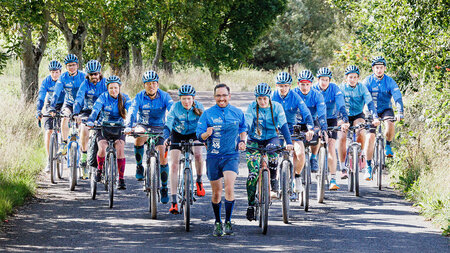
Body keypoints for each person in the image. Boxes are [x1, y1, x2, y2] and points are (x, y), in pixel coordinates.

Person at [196, 83, 247, 236]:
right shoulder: (207, 114)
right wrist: (207, 133)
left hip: (231, 155)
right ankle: (218, 222)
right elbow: (199, 135)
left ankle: (228, 221)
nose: (221, 98)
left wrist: (242, 141)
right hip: (213, 156)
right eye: (218, 95)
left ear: (229, 96)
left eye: (224, 95)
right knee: (217, 193)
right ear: (214, 97)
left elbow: (243, 128)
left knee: (230, 187)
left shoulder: (237, 112)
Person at [245, 83, 294, 220]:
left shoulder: (277, 107)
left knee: (273, 153)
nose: (262, 101)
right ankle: (250, 205)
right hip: (254, 139)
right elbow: (247, 124)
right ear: (256, 98)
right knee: (252, 175)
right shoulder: (252, 108)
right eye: (259, 99)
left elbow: (283, 125)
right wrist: (242, 140)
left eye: (264, 99)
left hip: (272, 137)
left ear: (269, 98)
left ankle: (273, 179)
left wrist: (289, 142)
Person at [126, 70, 173, 203]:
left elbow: (172, 109)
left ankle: (164, 188)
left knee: (163, 155)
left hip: (160, 127)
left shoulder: (164, 96)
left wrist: (174, 124)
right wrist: (129, 126)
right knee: (139, 134)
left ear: (157, 84)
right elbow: (132, 111)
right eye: (148, 84)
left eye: (153, 83)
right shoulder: (139, 96)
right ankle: (139, 166)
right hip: (144, 125)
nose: (151, 86)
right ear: (144, 85)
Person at [271, 72, 314, 199]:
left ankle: (297, 177)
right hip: (276, 128)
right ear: (276, 86)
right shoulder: (272, 96)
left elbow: (306, 112)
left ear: (290, 86)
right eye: (280, 86)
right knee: (271, 153)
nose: (283, 89)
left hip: (291, 128)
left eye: (285, 86)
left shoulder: (295, 96)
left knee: (300, 153)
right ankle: (272, 183)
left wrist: (310, 128)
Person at [163, 84, 205, 214]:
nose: (186, 102)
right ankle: (174, 201)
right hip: (177, 134)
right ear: (180, 99)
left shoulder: (199, 107)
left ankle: (198, 181)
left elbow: (204, 124)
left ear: (193, 98)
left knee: (198, 154)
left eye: (189, 98)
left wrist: (206, 139)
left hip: (194, 134)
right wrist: (166, 137)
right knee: (174, 165)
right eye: (183, 99)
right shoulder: (175, 108)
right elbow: (168, 123)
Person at [86, 76, 131, 189]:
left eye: (115, 88)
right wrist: (91, 120)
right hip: (103, 128)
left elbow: (131, 110)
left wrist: (131, 123)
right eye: (111, 88)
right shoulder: (103, 97)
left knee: (120, 149)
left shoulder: (125, 98)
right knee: (102, 148)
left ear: (119, 88)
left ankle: (121, 179)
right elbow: (95, 109)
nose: (113, 90)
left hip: (119, 128)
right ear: (107, 88)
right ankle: (99, 170)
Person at [363, 56, 404, 180]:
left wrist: (400, 111)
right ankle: (368, 167)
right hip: (371, 110)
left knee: (390, 124)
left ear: (385, 68)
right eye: (377, 68)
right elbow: (364, 98)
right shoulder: (367, 81)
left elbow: (397, 97)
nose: (379, 70)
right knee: (370, 138)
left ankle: (388, 145)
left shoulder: (390, 81)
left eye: (381, 67)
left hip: (386, 108)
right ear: (373, 69)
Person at [338, 65, 380, 180]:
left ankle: (360, 153)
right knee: (342, 136)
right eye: (350, 77)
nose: (352, 80)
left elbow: (370, 103)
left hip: (357, 114)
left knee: (361, 131)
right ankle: (342, 167)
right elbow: (340, 105)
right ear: (346, 78)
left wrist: (375, 117)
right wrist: (344, 121)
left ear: (358, 78)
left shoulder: (362, 88)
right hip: (343, 114)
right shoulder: (341, 88)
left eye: (355, 77)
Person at [312, 67, 350, 190]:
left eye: (326, 80)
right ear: (318, 80)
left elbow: (341, 105)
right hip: (317, 118)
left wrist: (345, 120)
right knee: (317, 139)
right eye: (322, 80)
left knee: (331, 145)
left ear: (329, 80)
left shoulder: (335, 89)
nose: (324, 82)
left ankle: (333, 178)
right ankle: (313, 159)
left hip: (331, 118)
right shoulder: (312, 89)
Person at [73, 60, 107, 179]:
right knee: (84, 128)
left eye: (96, 74)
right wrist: (76, 112)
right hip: (87, 111)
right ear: (88, 75)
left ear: (100, 73)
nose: (94, 77)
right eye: (91, 74)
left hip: (102, 112)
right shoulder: (85, 84)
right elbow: (79, 98)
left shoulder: (105, 83)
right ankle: (83, 155)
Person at [49, 54, 86, 155]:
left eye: (73, 65)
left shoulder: (84, 76)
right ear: (66, 67)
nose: (72, 67)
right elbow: (56, 93)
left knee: (82, 126)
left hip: (83, 105)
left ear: (77, 65)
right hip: (69, 103)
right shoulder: (63, 77)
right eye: (69, 65)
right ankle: (64, 143)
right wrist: (52, 106)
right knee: (64, 117)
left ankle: (84, 151)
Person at [293, 70, 328, 173]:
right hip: (297, 121)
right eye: (302, 84)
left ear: (311, 84)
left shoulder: (317, 95)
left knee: (318, 134)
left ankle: (313, 157)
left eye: (307, 84)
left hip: (312, 121)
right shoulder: (293, 93)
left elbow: (321, 114)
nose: (305, 87)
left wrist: (324, 128)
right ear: (298, 84)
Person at [36, 60, 65, 172]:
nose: (54, 74)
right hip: (50, 105)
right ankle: (49, 159)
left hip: (63, 104)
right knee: (48, 131)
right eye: (52, 72)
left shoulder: (63, 80)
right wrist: (39, 110)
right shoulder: (46, 81)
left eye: (57, 72)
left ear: (60, 72)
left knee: (63, 125)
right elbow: (41, 96)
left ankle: (64, 146)